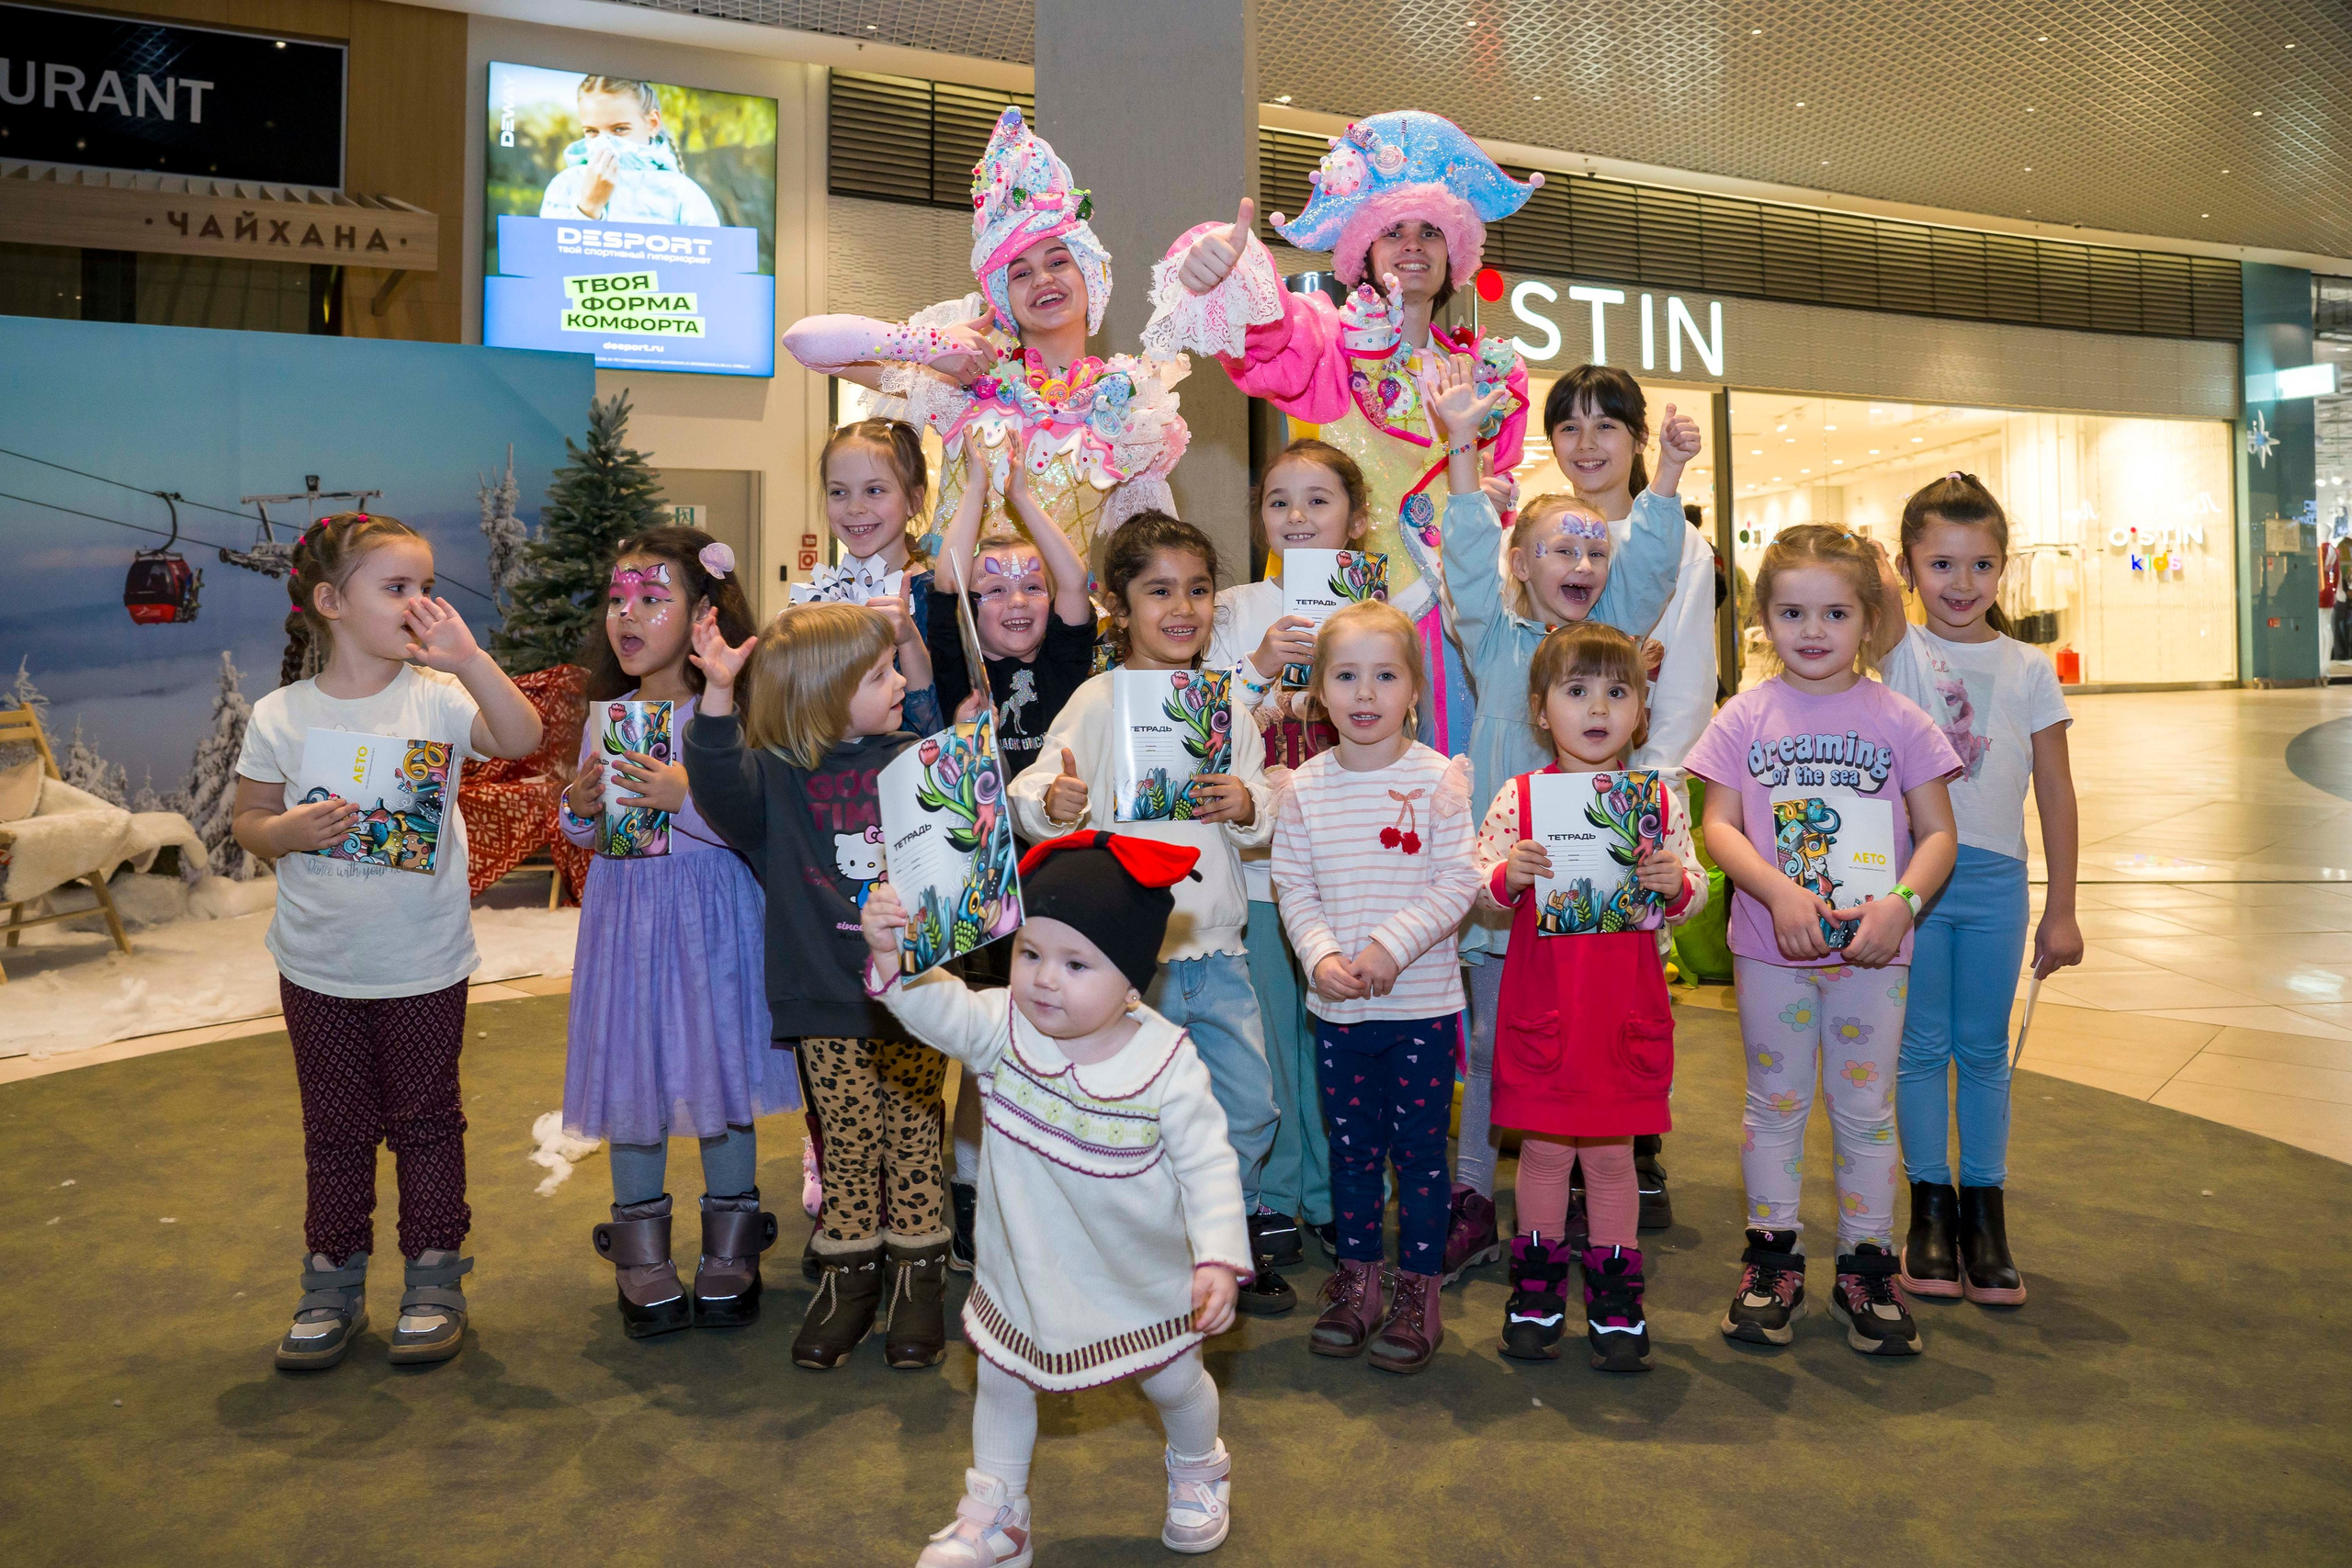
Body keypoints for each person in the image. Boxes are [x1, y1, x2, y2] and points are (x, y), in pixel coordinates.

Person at [860, 834, 1250, 1565]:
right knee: (1003, 1376)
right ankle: (998, 1516)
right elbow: (939, 1010)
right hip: (1024, 1267)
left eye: (1076, 964)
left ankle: (1200, 1465)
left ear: (1132, 981)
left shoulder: (1164, 1062)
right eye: (1030, 953)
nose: (1043, 980)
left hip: (1141, 1279)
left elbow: (1207, 1164)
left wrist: (1220, 1258)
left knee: (1173, 1380)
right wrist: (894, 956)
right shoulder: (1004, 1028)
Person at [233, 512, 544, 1370]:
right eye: (397, 587)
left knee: (427, 1122)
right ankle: (330, 1284)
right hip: (318, 967)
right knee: (333, 1128)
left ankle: (435, 1277)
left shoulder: (437, 697)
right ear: (331, 602)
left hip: (424, 964)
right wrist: (289, 827)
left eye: (426, 587)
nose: (420, 603)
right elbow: (250, 824)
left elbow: (521, 739)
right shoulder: (280, 714)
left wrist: (471, 661)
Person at [1422, 354, 1697, 1280]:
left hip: (1593, 922)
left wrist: (1665, 479)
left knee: (1585, 1048)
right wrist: (1460, 447)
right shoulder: (1496, 638)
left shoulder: (1606, 639)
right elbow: (1464, 557)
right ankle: (1471, 1195)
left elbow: (1652, 560)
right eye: (1557, 549)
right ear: (1520, 563)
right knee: (1496, 1049)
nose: (1579, 563)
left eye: (1592, 552)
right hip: (1511, 902)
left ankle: (1593, 1196)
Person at [1152, 110, 1543, 759]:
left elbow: (1491, 524)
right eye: (1392, 231)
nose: (1412, 244)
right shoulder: (1329, 341)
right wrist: (1224, 265)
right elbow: (1268, 334)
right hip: (1332, 633)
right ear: (1363, 250)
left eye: (1430, 231)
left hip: (1454, 640)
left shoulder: (1493, 377)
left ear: (1456, 254)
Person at [1683, 524, 1962, 1358]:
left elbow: (1939, 835)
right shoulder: (1744, 716)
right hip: (1772, 949)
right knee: (1775, 1103)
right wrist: (1774, 891)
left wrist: (1903, 905)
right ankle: (1772, 1258)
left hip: (1873, 952)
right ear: (1763, 618)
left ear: (1870, 617)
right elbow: (1719, 826)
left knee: (1865, 1110)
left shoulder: (1902, 718)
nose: (1813, 630)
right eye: (1793, 612)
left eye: (1835, 612)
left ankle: (1866, 1263)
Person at [1008, 513, 1294, 1314]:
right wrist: (1052, 801)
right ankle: (1136, 1252)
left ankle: (1219, 1246)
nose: (1184, 607)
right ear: (1119, 605)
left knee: (1247, 1106)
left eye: (1199, 590)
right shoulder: (1097, 701)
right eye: (1159, 590)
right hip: (1130, 964)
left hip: (1218, 949)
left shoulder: (1227, 706)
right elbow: (1037, 786)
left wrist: (1247, 804)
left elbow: (1264, 797)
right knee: (1125, 1111)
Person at [683, 600, 954, 1371]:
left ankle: (918, 1282)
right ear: (826, 694)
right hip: (823, 996)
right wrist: (719, 693)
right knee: (846, 1143)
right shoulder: (775, 774)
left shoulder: (914, 758)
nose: (899, 680)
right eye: (879, 674)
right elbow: (714, 781)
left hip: (913, 998)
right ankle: (850, 1280)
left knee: (912, 1135)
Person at [556, 527, 797, 1337]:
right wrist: (579, 809)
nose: (629, 615)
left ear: (706, 614)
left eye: (654, 598)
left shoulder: (732, 710)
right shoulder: (611, 718)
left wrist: (682, 794)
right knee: (637, 1075)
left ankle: (732, 1242)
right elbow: (593, 837)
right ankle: (641, 1247)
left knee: (720, 1074)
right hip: (628, 924)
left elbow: (755, 824)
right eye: (619, 599)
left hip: (713, 922)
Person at [783, 107, 1187, 575]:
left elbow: (1153, 563)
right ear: (1002, 297)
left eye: (1058, 261)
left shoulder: (1133, 413)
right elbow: (804, 341)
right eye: (1020, 272)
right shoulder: (962, 386)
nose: (1041, 279)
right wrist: (927, 346)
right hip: (947, 633)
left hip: (1060, 638)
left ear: (1091, 275)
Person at [1871, 473, 2083, 1306]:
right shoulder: (1893, 652)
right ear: (1909, 568)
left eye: (1982, 564)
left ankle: (1985, 1216)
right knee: (1920, 1049)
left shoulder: (2030, 667)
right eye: (1941, 564)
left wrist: (2061, 907)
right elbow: (1866, 582)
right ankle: (1929, 1209)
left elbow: (2057, 790)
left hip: (1995, 880)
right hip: (1910, 882)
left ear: (2006, 568)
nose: (1962, 585)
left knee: (1985, 1051)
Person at [1474, 623, 1702, 1372]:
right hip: (1545, 1008)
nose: (1598, 707)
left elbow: (1693, 892)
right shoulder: (1520, 797)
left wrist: (1677, 885)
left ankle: (1616, 1296)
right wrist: (1510, 873)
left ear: (1641, 709)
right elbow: (1477, 885)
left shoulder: (1658, 802)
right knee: (1540, 1152)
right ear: (1542, 710)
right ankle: (1535, 1291)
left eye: (1617, 691)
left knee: (1613, 1158)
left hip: (1623, 1012)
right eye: (1576, 691)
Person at [1270, 600, 1478, 1371]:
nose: (1365, 694)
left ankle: (1418, 1289)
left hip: (1419, 1007)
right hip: (1340, 1012)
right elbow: (1294, 886)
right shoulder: (1305, 788)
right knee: (1352, 1151)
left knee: (1420, 1155)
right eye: (1346, 676)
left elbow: (1460, 880)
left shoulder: (1440, 781)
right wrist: (1321, 956)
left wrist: (1392, 945)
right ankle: (1356, 1278)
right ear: (1320, 692)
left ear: (1414, 689)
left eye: (1384, 675)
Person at [1549, 366, 1724, 1232]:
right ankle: (1560, 1142)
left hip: (1637, 787)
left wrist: (1654, 783)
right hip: (1553, 789)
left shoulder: (1681, 544)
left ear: (1638, 441)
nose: (1588, 444)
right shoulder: (1538, 531)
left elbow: (1689, 672)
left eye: (1607, 425)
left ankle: (1634, 1147)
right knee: (1564, 977)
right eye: (1570, 426)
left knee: (1633, 979)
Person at [924, 429, 1102, 1272]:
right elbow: (946, 579)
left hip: (1057, 876)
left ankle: (1061, 1176)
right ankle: (968, 1183)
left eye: (1029, 583)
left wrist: (1024, 496)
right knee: (988, 1038)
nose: (1020, 597)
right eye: (998, 588)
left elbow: (1075, 581)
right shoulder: (953, 654)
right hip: (980, 876)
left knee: (1063, 1031)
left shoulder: (1068, 658)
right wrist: (975, 487)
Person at [1204, 435, 1373, 1262]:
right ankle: (1272, 1192)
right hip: (1260, 868)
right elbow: (1200, 726)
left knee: (1342, 1037)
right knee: (1267, 1037)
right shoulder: (1233, 608)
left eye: (1318, 499)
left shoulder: (1379, 610)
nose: (1297, 516)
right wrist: (1262, 665)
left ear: (1355, 514)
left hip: (1358, 861)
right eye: (1279, 501)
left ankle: (1342, 1191)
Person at [800, 418, 944, 738]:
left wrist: (908, 641)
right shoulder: (819, 597)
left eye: (874, 490)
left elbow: (940, 728)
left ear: (914, 500)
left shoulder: (937, 598)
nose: (854, 507)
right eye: (839, 492)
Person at [537, 76, 721, 227]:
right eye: (592, 131)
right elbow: (548, 260)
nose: (605, 143)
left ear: (653, 123)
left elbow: (709, 264)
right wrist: (589, 207)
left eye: (620, 129)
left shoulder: (683, 192)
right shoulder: (564, 185)